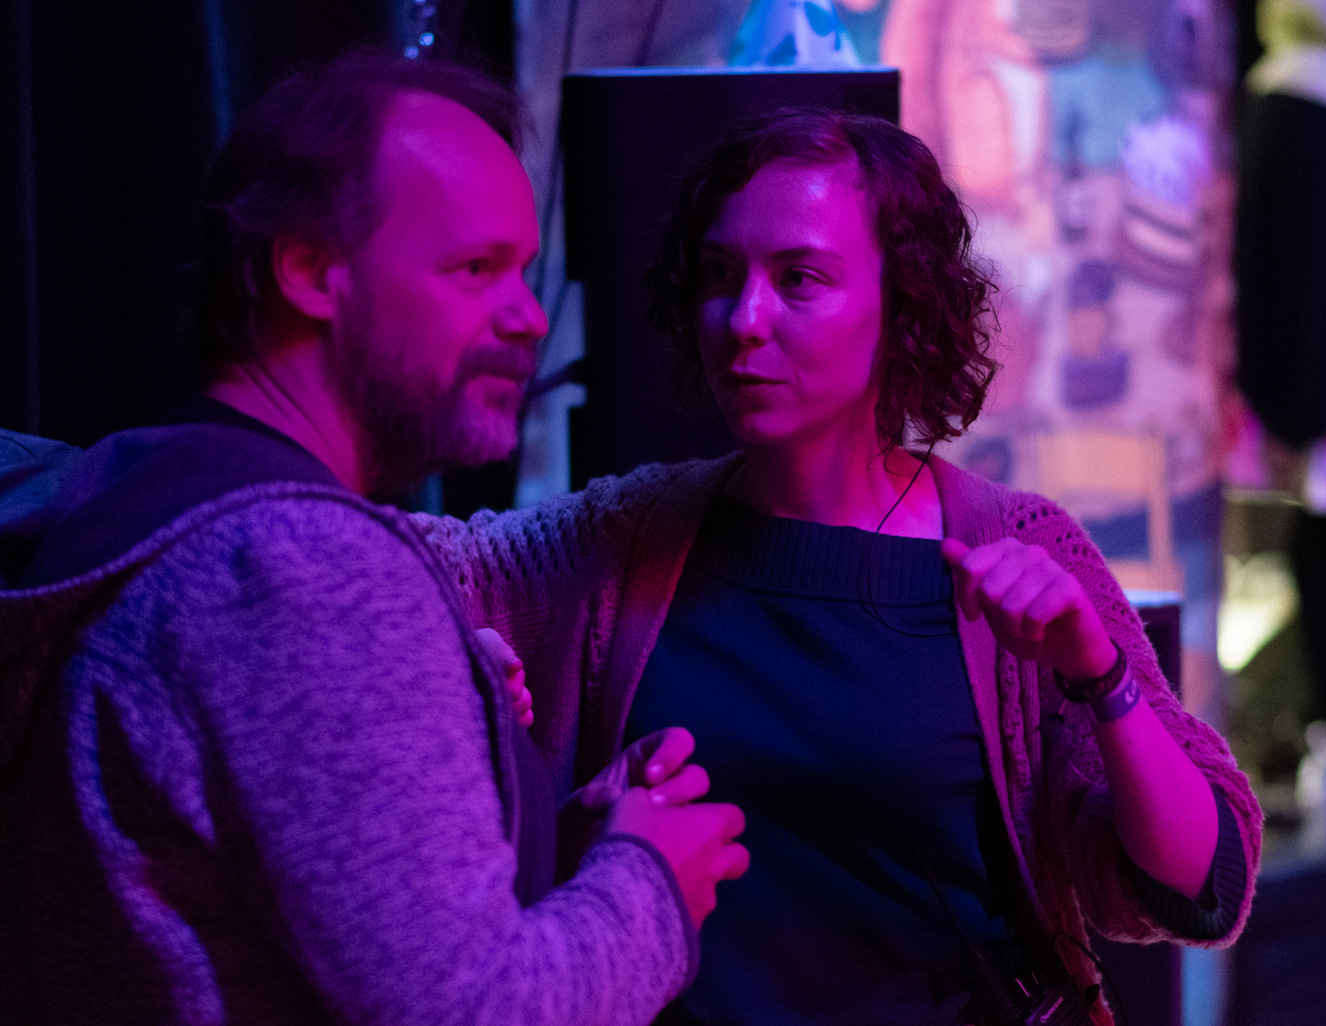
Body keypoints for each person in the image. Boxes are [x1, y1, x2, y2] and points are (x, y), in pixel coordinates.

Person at [419, 108, 1261, 1026]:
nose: (744, 321)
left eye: (799, 280)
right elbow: (383, 562)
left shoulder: (1010, 543)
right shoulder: (625, 539)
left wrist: (1098, 676)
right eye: (719, 275)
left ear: (902, 307)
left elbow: (1200, 885)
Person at [0, 53, 748, 1025]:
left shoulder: (147, 499)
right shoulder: (304, 566)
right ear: (310, 270)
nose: (527, 318)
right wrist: (650, 876)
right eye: (475, 269)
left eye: (523, 273)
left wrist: (557, 852)